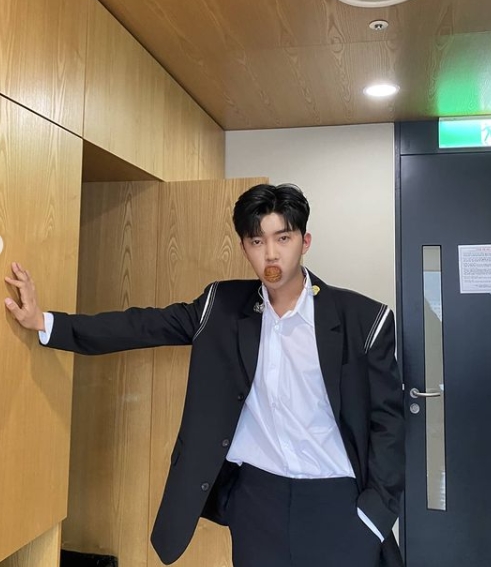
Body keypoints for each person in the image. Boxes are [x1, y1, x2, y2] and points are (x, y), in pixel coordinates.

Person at [4, 183, 404, 567]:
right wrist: (45, 322)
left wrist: (373, 516)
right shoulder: (222, 306)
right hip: (257, 502)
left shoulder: (362, 319)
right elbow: (142, 326)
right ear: (244, 247)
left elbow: (388, 422)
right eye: (257, 241)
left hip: (338, 503)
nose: (270, 254)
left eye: (283, 238)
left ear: (305, 241)